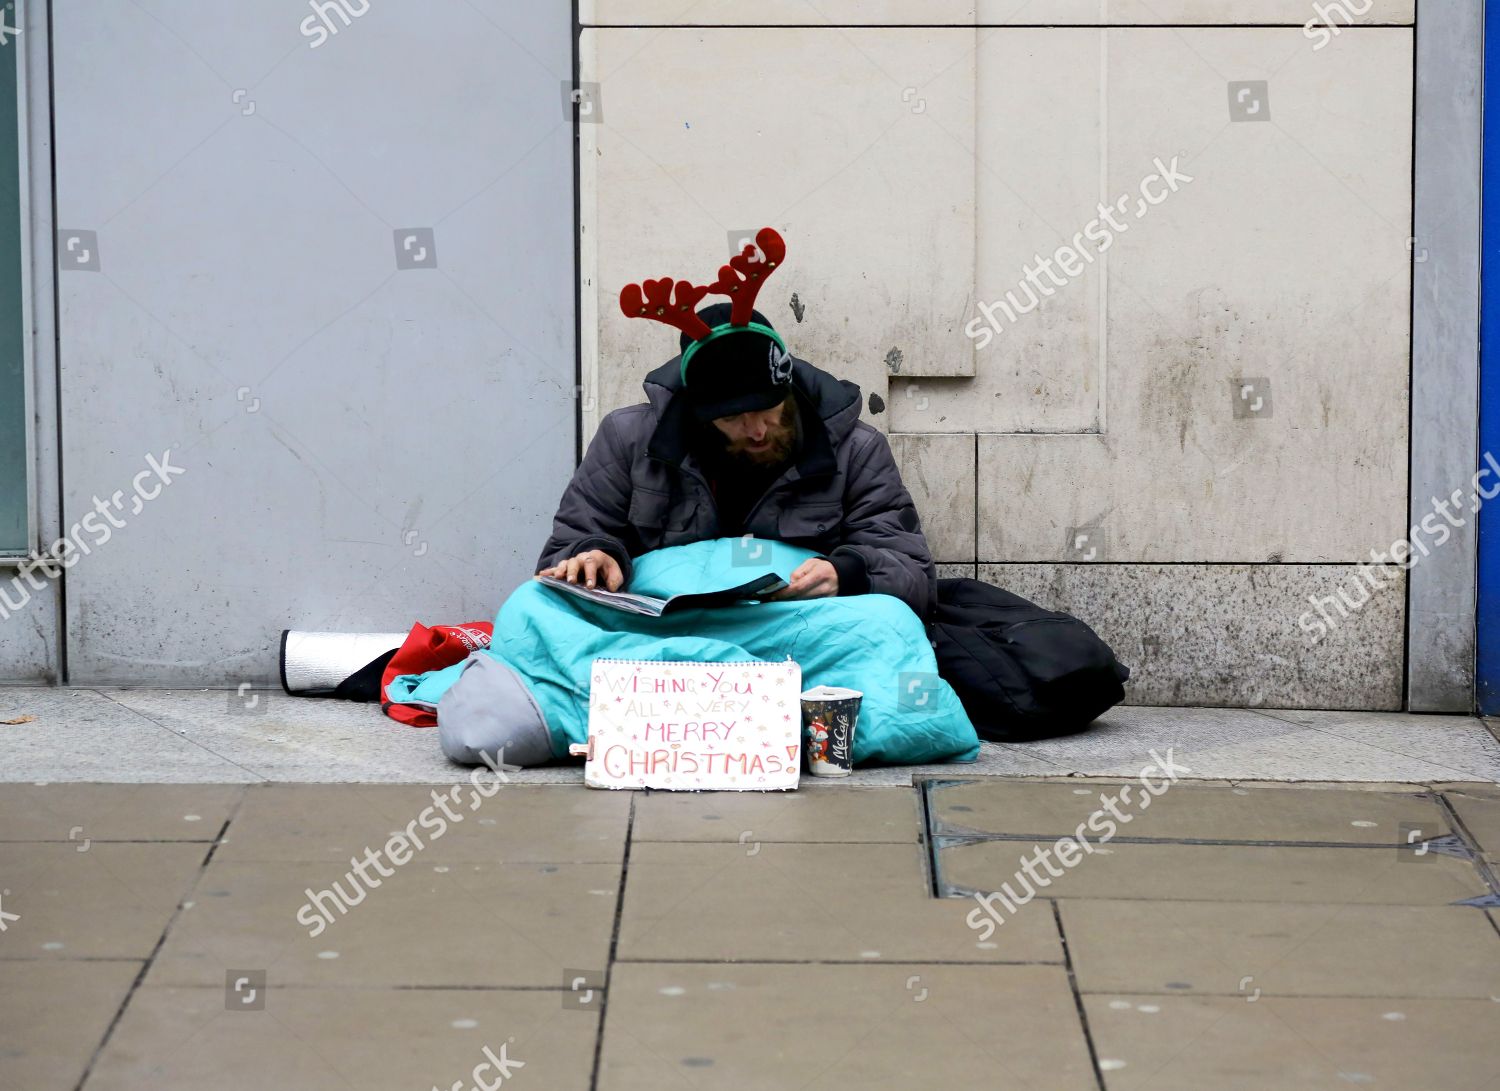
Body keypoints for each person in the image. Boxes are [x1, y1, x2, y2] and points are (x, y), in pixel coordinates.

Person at [537, 227, 937, 618]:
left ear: (788, 391)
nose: (759, 431)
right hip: (667, 632)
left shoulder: (855, 448)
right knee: (530, 608)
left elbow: (913, 573)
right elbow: (566, 548)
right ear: (701, 416)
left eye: (770, 411)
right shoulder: (627, 438)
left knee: (892, 624)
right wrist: (592, 557)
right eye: (733, 419)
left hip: (794, 628)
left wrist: (845, 573)